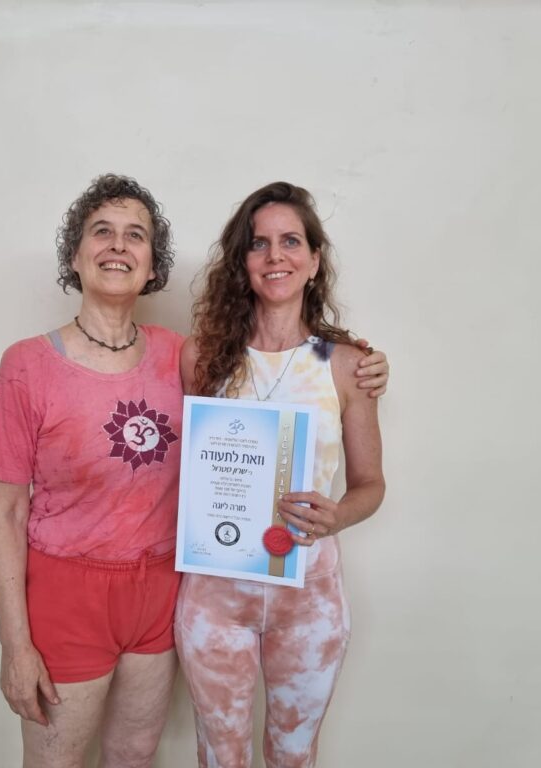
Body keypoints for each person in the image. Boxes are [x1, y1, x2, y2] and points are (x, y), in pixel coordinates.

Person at [0, 174, 389, 767]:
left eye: (135, 235)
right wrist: (15, 646)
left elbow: (358, 464)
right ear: (74, 255)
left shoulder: (198, 354)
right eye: (102, 232)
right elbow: (4, 512)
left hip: (193, 589)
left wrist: (362, 364)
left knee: (148, 756)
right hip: (126, 593)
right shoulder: (169, 358)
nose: (119, 246)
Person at [175, 181, 385, 768]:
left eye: (291, 242)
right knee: (221, 756)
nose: (275, 256)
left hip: (309, 596)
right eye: (258, 243)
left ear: (314, 261)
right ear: (241, 262)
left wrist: (336, 516)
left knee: (294, 756)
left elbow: (371, 485)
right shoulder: (201, 357)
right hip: (215, 594)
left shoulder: (347, 365)